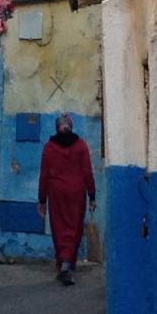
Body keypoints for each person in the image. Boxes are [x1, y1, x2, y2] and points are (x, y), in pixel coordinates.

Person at [36, 112, 96, 286]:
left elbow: (44, 175)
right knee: (74, 227)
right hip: (77, 192)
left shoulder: (49, 147)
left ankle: (63, 262)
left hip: (56, 193)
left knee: (59, 227)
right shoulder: (81, 146)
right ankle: (68, 263)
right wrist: (92, 195)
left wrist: (42, 200)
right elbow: (87, 172)